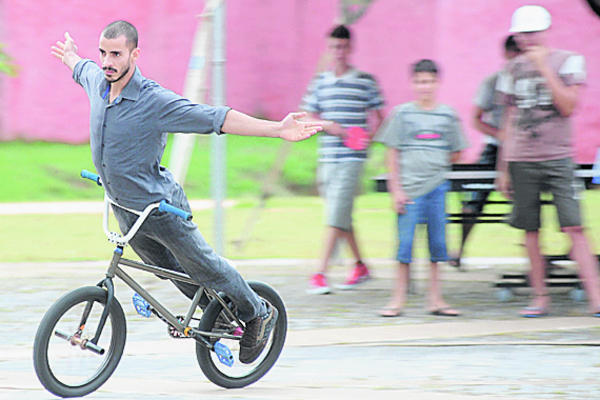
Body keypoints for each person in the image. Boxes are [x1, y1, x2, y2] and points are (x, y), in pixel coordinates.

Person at [51, 21, 322, 363]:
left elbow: (215, 118)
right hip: (125, 210)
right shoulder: (98, 82)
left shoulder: (153, 100)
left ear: (135, 54)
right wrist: (71, 56)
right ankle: (219, 316)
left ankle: (256, 312)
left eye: (116, 54)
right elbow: (82, 68)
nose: (107, 61)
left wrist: (276, 129)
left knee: (204, 266)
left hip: (160, 209)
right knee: (171, 272)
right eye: (103, 52)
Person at [496, 5, 600, 317]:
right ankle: (540, 298)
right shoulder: (510, 71)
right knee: (529, 229)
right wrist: (503, 167)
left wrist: (543, 68)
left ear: (544, 32)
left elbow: (568, 106)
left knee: (574, 226)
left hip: (557, 157)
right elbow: (510, 119)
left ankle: (596, 298)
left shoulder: (567, 61)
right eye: (521, 34)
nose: (525, 40)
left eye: (530, 33)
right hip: (521, 159)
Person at [375, 59, 468, 317]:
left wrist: (434, 164)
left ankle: (435, 299)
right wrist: (397, 190)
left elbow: (457, 151)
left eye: (428, 81)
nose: (424, 86)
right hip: (409, 190)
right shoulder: (403, 114)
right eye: (419, 81)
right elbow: (391, 152)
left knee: (438, 246)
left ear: (437, 83)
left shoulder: (447, 115)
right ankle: (397, 300)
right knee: (404, 246)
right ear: (412, 83)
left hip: (437, 189)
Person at [301, 24, 385, 294]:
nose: (338, 51)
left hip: (352, 158)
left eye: (342, 46)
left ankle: (320, 273)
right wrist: (329, 126)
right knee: (340, 214)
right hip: (328, 158)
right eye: (333, 47)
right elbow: (307, 117)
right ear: (328, 48)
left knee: (335, 214)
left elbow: (381, 116)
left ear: (350, 48)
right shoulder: (320, 82)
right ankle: (360, 265)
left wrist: (369, 138)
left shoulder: (364, 81)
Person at [449, 35, 521, 269]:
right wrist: (500, 134)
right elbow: (475, 119)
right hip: (495, 148)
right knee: (472, 201)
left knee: (532, 203)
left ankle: (539, 257)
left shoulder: (533, 83)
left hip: (524, 149)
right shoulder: (493, 83)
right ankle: (459, 251)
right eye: (515, 54)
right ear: (508, 54)